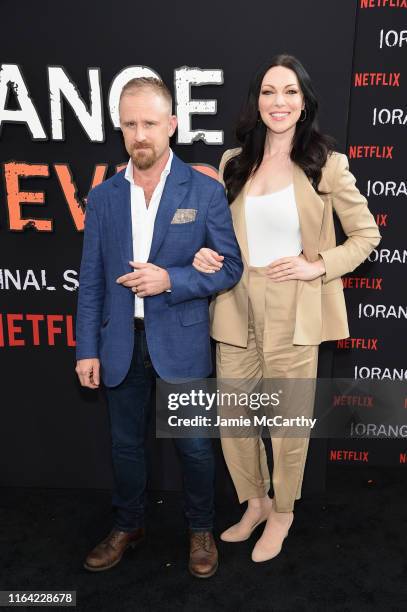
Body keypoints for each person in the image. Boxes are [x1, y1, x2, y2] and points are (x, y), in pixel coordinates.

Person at [192, 54, 381, 563]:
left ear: (304, 101)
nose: (279, 102)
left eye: (290, 92)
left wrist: (317, 266)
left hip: (293, 310)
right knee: (234, 418)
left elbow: (367, 236)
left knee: (287, 423)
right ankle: (253, 503)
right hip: (234, 303)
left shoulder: (326, 163)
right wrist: (206, 253)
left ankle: (282, 512)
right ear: (257, 100)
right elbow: (218, 235)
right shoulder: (234, 162)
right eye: (270, 91)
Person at [75, 77, 243, 577]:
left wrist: (172, 278)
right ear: (120, 128)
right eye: (130, 124)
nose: (140, 134)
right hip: (121, 345)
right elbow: (91, 283)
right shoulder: (104, 197)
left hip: (183, 343)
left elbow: (230, 267)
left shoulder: (204, 190)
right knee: (125, 446)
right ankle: (128, 524)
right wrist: (88, 349)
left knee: (194, 446)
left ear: (172, 124)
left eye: (149, 123)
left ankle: (200, 530)